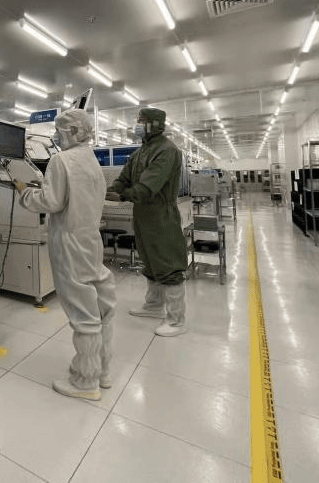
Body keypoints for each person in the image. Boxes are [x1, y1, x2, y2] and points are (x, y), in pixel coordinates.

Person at [13, 109, 115, 400]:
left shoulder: (61, 160)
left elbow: (51, 201)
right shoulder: (91, 159)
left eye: (59, 131)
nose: (56, 137)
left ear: (73, 131)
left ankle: (85, 381)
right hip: (90, 240)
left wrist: (24, 192)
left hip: (70, 243)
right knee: (101, 307)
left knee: (83, 314)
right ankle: (102, 371)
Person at [107, 107, 188, 337]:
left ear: (155, 124)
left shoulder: (167, 150)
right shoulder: (140, 152)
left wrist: (122, 196)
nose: (137, 125)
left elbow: (147, 187)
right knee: (150, 262)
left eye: (141, 121)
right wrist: (110, 190)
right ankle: (154, 305)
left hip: (161, 216)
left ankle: (177, 320)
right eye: (138, 120)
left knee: (168, 264)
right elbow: (124, 178)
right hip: (142, 215)